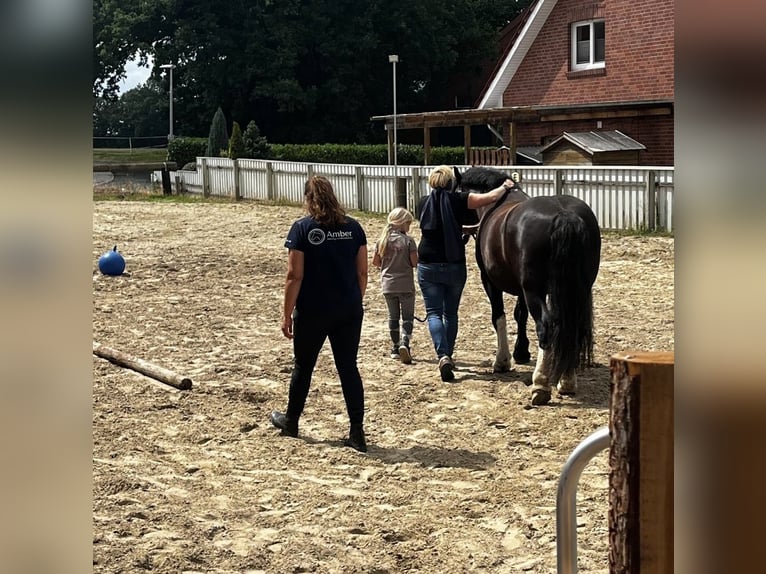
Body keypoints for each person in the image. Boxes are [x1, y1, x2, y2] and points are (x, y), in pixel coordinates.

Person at [270, 175, 369, 452]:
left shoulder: (302, 229)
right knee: (348, 367)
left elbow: (294, 275)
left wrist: (286, 313)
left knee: (303, 366)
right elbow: (362, 271)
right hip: (348, 308)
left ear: (308, 199)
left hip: (314, 309)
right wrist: (353, 301)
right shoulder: (354, 228)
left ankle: (292, 421)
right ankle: (357, 432)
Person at [416, 165, 515, 382]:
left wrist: (462, 229)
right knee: (450, 314)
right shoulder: (460, 199)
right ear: (451, 183)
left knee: (433, 313)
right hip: (454, 264)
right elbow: (489, 197)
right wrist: (506, 186)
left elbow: (437, 226)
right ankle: (448, 353)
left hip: (428, 264)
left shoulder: (422, 203)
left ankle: (443, 356)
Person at [372, 207, 418, 364]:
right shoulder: (408, 241)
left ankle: (394, 346)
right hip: (405, 284)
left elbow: (375, 262)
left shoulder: (382, 240)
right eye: (408, 224)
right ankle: (405, 342)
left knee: (393, 316)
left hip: (388, 285)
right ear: (402, 223)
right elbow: (414, 263)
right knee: (407, 316)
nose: (409, 227)